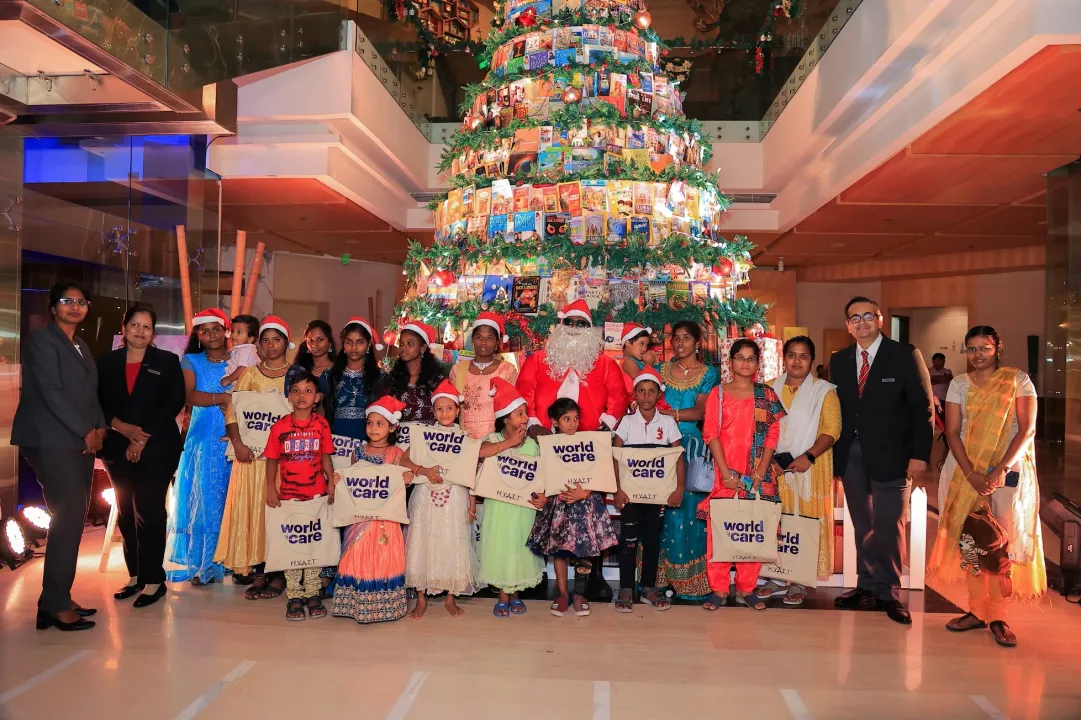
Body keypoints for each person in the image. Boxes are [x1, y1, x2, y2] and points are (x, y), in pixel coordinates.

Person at [927, 326, 1045, 648]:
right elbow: (952, 432)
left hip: (1008, 469)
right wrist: (972, 474)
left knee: (999, 544)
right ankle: (976, 610)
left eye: (985, 348)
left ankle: (999, 615)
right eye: (972, 349)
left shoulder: (1017, 380)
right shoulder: (959, 384)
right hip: (966, 468)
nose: (978, 355)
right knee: (972, 540)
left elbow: (1027, 430)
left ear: (997, 348)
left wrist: (999, 470)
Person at [829, 296, 933, 625]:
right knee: (863, 524)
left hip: (894, 455)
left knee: (889, 525)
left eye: (867, 316)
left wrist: (920, 455)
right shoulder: (840, 360)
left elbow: (923, 409)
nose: (861, 323)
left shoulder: (904, 355)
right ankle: (866, 587)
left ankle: (888, 591)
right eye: (853, 318)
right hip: (852, 456)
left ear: (879, 319)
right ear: (847, 325)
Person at [12, 281, 106, 631]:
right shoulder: (41, 340)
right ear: (53, 307)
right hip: (50, 438)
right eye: (67, 301)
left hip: (79, 438)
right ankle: (54, 604)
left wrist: (99, 428)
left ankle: (56, 597)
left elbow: (91, 392)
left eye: (81, 302)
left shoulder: (80, 344)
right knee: (68, 514)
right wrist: (85, 430)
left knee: (73, 515)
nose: (74, 306)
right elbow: (51, 392)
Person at [97, 306, 186, 608]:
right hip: (116, 447)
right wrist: (121, 428)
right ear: (124, 327)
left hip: (158, 446)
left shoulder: (166, 361)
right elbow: (96, 402)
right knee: (125, 510)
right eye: (135, 324)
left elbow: (173, 402)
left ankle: (154, 579)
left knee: (149, 509)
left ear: (153, 333)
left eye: (147, 327)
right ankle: (135, 575)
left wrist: (141, 437)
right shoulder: (106, 362)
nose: (140, 331)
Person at [698, 339, 786, 611]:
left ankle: (747, 588)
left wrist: (760, 472)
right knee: (720, 530)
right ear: (731, 362)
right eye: (740, 357)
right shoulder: (718, 394)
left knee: (753, 529)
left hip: (757, 475)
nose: (745, 363)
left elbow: (773, 433)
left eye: (751, 358)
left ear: (758, 364)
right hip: (725, 473)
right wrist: (725, 474)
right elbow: (710, 433)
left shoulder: (767, 395)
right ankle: (719, 588)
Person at [756, 336, 839, 606]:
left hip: (810, 468)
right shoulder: (769, 388)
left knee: (805, 522)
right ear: (784, 358)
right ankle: (777, 577)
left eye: (803, 356)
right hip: (775, 467)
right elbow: (761, 427)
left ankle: (801, 579)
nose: (797, 361)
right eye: (792, 355)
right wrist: (769, 461)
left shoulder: (824, 391)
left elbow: (831, 431)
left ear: (812, 361)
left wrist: (808, 456)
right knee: (777, 521)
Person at [216, 316, 293, 598]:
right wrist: (236, 442)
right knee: (253, 512)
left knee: (278, 512)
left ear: (286, 341)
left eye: (277, 339)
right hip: (250, 458)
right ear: (258, 344)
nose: (271, 345)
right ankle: (259, 571)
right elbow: (234, 410)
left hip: (283, 461)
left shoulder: (295, 374)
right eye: (266, 340)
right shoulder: (249, 373)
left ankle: (278, 572)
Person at [527, 398, 618, 618]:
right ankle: (561, 594)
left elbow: (602, 472)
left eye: (576, 418)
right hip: (559, 505)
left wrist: (585, 492)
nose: (572, 423)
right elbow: (543, 476)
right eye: (566, 419)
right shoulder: (547, 446)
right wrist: (544, 498)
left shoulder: (591, 441)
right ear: (554, 421)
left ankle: (579, 594)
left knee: (584, 550)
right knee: (560, 550)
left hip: (586, 505)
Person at [400, 379, 480, 618]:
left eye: (449, 408)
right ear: (433, 410)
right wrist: (425, 471)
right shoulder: (424, 436)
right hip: (426, 496)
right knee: (423, 540)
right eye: (439, 408)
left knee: (452, 542)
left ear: (457, 410)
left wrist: (472, 505)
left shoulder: (465, 438)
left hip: (455, 497)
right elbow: (404, 461)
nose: (444, 413)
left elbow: (471, 475)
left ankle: (450, 597)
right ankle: (422, 598)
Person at [331, 395, 411, 624]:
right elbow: (353, 479)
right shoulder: (357, 451)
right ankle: (355, 604)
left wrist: (406, 478)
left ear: (392, 427)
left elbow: (404, 479)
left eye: (380, 424)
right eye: (370, 423)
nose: (374, 428)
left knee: (383, 557)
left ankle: (383, 607)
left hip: (385, 521)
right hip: (360, 519)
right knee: (357, 557)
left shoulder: (397, 453)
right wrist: (340, 480)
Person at [655, 320, 720, 601]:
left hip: (691, 446)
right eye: (675, 338)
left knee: (687, 512)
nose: (679, 343)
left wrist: (668, 416)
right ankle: (657, 579)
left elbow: (700, 412)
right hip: (658, 444)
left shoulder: (708, 373)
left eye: (686, 338)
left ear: (697, 342)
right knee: (658, 511)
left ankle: (690, 582)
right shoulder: (660, 370)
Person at [168, 308, 233, 586]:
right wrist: (226, 398)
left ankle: (233, 562)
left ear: (225, 331)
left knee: (231, 500)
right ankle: (203, 565)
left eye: (215, 328)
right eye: (204, 330)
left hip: (234, 436)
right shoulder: (191, 360)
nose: (211, 335)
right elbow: (190, 396)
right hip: (204, 438)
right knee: (206, 501)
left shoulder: (240, 360)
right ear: (197, 335)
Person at [264, 370, 336, 621]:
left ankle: (313, 592)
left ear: (316, 397)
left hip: (316, 497)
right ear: (288, 397)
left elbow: (326, 457)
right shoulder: (280, 427)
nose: (302, 395)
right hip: (288, 498)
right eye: (296, 391)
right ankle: (294, 595)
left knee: (313, 545)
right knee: (292, 546)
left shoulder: (321, 425)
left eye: (308, 391)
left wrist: (331, 484)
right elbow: (271, 460)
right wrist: (270, 488)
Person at [612, 367, 684, 613]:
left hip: (657, 495)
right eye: (641, 391)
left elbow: (678, 458)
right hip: (631, 495)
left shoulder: (667, 422)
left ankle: (648, 587)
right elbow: (615, 456)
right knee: (628, 542)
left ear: (658, 394)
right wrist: (617, 489)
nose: (646, 396)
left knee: (652, 540)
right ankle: (625, 588)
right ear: (635, 394)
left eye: (651, 391)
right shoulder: (626, 422)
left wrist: (679, 488)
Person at [477, 378, 546, 617]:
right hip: (499, 507)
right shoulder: (494, 440)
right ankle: (503, 595)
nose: (525, 418)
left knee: (518, 548)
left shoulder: (533, 445)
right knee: (501, 546)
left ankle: (515, 594)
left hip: (522, 509)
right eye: (519, 414)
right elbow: (479, 452)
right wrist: (510, 443)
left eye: (525, 413)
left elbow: (540, 476)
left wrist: (542, 497)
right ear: (506, 418)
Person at [516, 299, 630, 435]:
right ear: (560, 326)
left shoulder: (606, 364)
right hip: (543, 438)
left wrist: (606, 426)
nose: (574, 328)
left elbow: (618, 398)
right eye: (568, 322)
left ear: (589, 330)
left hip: (590, 442)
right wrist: (532, 425)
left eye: (581, 324)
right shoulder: (537, 360)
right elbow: (523, 395)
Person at [449, 312, 519, 439]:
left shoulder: (507, 370)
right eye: (479, 337)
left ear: (497, 342)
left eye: (489, 338)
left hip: (496, 438)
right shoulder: (458, 369)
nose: (484, 343)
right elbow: (451, 406)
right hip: (463, 438)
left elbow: (512, 410)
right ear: (473, 339)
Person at [323, 317, 387, 441]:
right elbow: (321, 412)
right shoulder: (329, 375)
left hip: (369, 444)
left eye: (360, 342)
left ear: (368, 344)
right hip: (334, 444)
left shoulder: (381, 378)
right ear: (343, 344)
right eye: (349, 342)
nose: (354, 347)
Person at [388, 320, 447, 424]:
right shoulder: (392, 378)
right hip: (399, 437)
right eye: (401, 344)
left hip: (429, 437)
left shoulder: (437, 379)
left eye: (410, 344)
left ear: (423, 348)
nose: (404, 348)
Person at [285, 319, 335, 395]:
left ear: (330, 343)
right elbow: (289, 398)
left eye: (320, 339)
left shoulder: (338, 370)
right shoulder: (297, 370)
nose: (314, 344)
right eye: (311, 340)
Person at [221, 314, 260, 387]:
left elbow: (243, 368)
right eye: (232, 331)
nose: (233, 335)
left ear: (250, 338)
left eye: (239, 332)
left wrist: (229, 379)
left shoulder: (246, 350)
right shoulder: (239, 349)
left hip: (244, 387)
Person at [617, 322, 655, 395]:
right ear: (628, 343)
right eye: (641, 344)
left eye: (646, 346)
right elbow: (644, 383)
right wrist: (649, 364)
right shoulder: (628, 362)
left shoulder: (638, 362)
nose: (644, 349)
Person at [929, 352, 954, 418]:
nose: (942, 362)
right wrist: (940, 379)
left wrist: (931, 378)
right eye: (939, 359)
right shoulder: (927, 371)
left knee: (943, 420)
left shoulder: (947, 371)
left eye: (943, 360)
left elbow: (946, 379)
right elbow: (927, 382)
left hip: (944, 400)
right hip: (930, 400)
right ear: (933, 361)